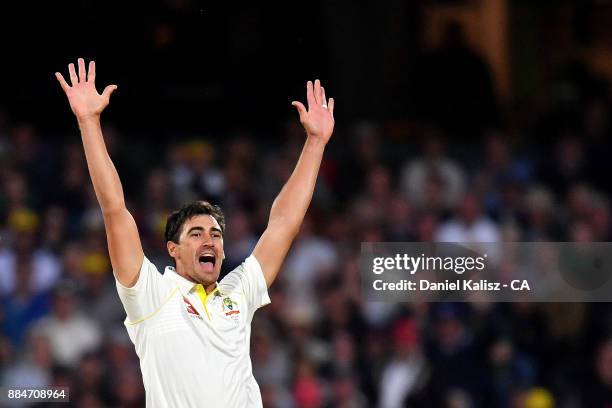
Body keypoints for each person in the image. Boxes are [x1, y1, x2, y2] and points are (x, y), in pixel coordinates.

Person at [55, 58, 335, 407]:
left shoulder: (238, 293)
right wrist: (89, 122)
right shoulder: (150, 294)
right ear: (172, 248)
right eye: (197, 233)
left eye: (216, 234)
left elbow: (283, 224)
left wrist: (315, 143)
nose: (210, 241)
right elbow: (114, 209)